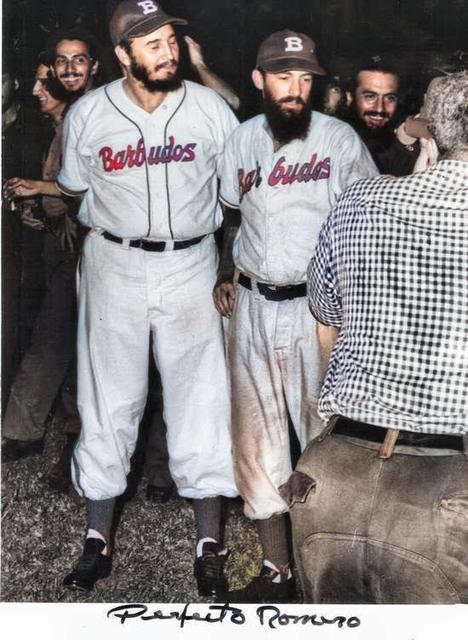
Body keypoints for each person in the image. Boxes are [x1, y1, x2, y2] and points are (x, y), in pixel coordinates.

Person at [7, 0, 239, 596]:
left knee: (201, 398)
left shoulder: (210, 108)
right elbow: (75, 192)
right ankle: (96, 540)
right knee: (109, 400)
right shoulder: (89, 113)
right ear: (122, 55)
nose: (166, 52)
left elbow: (238, 198)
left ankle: (209, 543)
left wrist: (226, 266)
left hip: (190, 260)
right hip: (115, 262)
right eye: (151, 43)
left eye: (170, 40)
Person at [289, 71, 468, 604]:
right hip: (446, 492)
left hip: (334, 474)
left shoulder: (360, 200)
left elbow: (325, 314)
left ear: (429, 132)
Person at [214, 29, 377, 603]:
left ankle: (326, 575)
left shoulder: (341, 140)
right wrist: (221, 274)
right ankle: (275, 570)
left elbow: (369, 225)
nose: (295, 89)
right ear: (259, 80)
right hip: (254, 303)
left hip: (319, 308)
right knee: (254, 440)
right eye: (283, 76)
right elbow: (232, 218)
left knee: (324, 438)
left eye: (305, 77)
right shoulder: (239, 141)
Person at [2, 56, 82, 478]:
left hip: (80, 248)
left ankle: (32, 432)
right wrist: (39, 211)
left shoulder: (79, 125)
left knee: (56, 337)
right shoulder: (53, 130)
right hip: (58, 243)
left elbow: (84, 188)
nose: (35, 93)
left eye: (42, 85)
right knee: (58, 337)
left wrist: (57, 212)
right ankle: (42, 432)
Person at [345, 55, 421, 175]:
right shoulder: (332, 141)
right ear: (350, 97)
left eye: (390, 98)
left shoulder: (402, 145)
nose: (380, 108)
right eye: (370, 96)